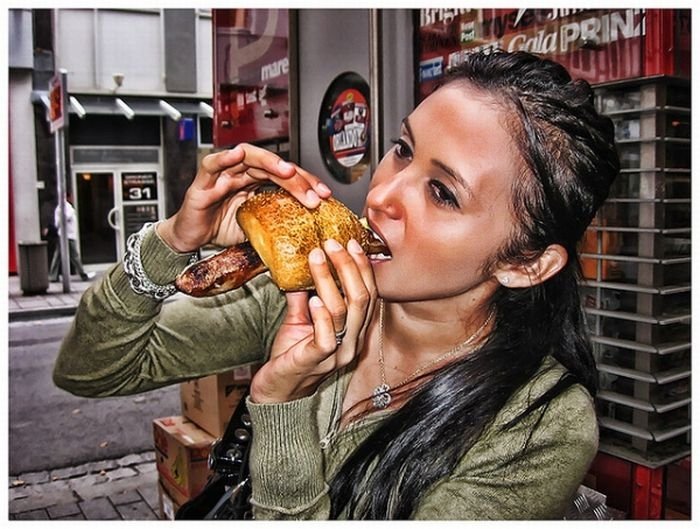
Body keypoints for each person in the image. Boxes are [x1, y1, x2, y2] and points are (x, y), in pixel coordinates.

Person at [53, 51, 619, 520]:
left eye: (442, 193)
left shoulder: (539, 425)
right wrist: (172, 241)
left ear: (524, 264)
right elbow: (89, 369)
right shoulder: (302, 297)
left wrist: (284, 409)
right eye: (402, 150)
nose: (380, 197)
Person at [49, 192, 95, 282]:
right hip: (67, 236)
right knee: (74, 256)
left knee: (58, 256)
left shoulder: (61, 207)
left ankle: (53, 276)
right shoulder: (65, 207)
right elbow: (64, 219)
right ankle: (83, 274)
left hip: (64, 235)